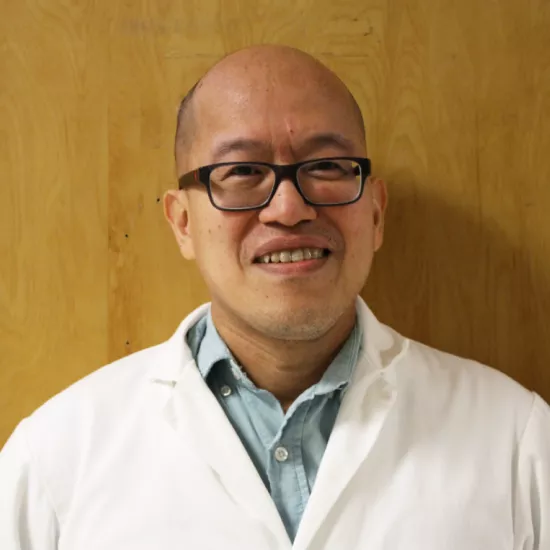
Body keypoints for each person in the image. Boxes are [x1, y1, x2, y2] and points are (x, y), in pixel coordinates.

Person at [0, 45, 548, 550]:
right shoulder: (55, 458)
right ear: (183, 222)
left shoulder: (515, 443)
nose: (288, 209)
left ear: (376, 212)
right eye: (241, 171)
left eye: (327, 166)